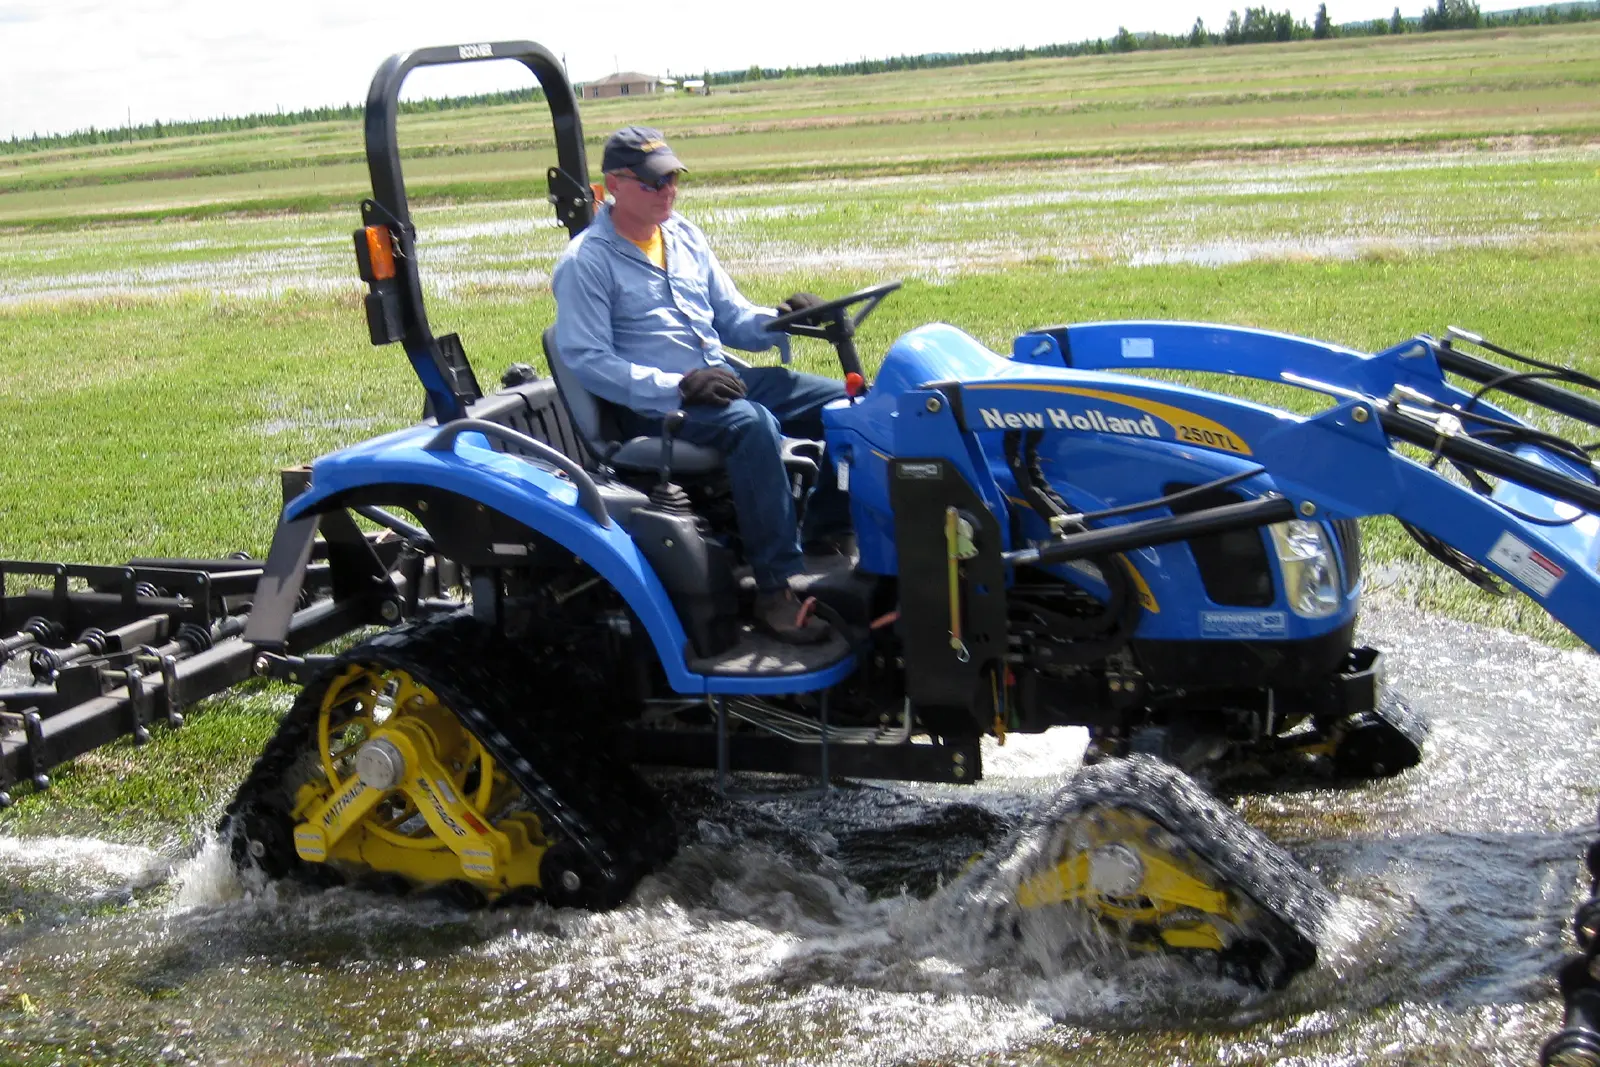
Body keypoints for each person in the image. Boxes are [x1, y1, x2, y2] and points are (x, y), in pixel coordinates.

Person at [551, 126, 852, 645]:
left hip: (719, 379)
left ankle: (823, 529)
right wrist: (680, 384)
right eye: (652, 182)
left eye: (671, 178)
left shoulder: (685, 236)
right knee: (752, 425)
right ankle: (775, 591)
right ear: (614, 185)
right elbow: (590, 361)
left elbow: (731, 317)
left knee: (848, 404)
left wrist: (780, 319)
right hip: (654, 406)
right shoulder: (587, 263)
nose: (666, 189)